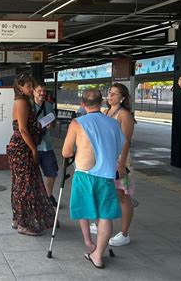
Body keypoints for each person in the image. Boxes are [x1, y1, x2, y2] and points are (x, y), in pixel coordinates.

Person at [62, 89, 124, 269]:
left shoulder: (77, 123)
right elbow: (119, 146)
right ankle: (98, 255)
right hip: (106, 175)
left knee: (84, 207)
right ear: (102, 102)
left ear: (82, 104)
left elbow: (66, 151)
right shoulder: (113, 123)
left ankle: (89, 242)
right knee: (105, 215)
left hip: (84, 175)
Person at [6, 74, 55, 236]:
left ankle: (17, 218)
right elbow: (22, 129)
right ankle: (23, 223)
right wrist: (33, 149)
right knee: (25, 185)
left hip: (21, 147)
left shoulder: (24, 102)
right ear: (20, 87)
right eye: (28, 86)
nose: (31, 89)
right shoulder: (21, 102)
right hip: (22, 148)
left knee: (20, 184)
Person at [105, 83, 136, 247]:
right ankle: (103, 223)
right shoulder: (106, 112)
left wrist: (122, 164)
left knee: (124, 196)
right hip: (107, 160)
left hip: (120, 160)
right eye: (110, 92)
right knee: (110, 192)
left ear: (122, 98)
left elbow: (125, 142)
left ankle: (124, 234)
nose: (110, 96)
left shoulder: (124, 115)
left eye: (115, 94)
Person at [33, 81, 59, 207]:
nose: (42, 93)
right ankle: (35, 198)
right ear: (33, 91)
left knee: (51, 172)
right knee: (32, 174)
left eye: (44, 91)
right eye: (39, 91)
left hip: (47, 146)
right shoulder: (28, 106)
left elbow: (53, 123)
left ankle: (48, 196)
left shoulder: (49, 106)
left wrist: (51, 125)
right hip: (33, 146)